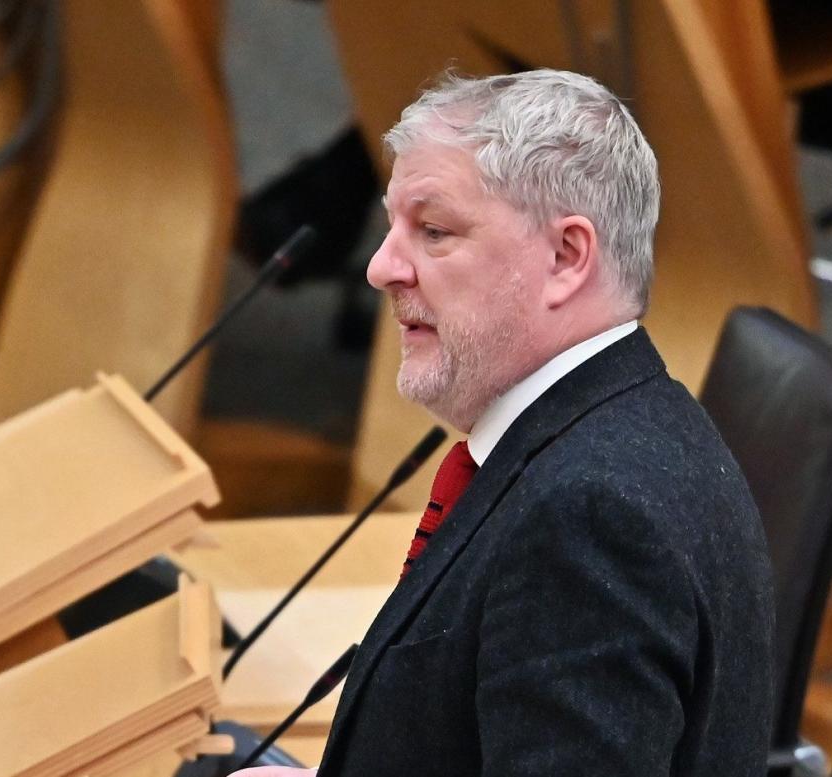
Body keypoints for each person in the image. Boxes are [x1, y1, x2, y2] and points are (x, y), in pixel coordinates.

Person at [235, 68, 773, 777]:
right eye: (393, 226)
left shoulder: (592, 522)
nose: (381, 267)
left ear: (565, 257)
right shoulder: (621, 427)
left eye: (433, 230)